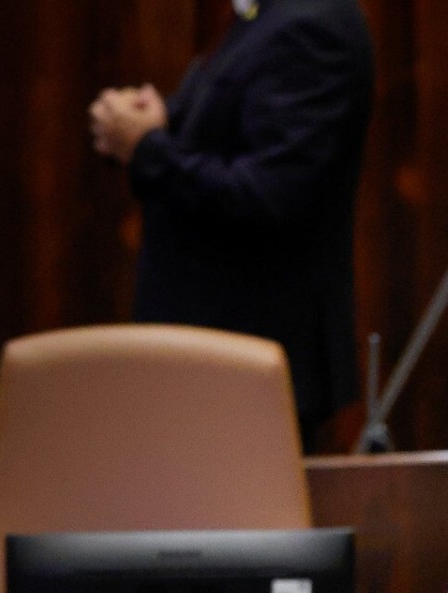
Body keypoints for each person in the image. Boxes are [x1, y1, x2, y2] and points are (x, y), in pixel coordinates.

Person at [88, 0, 375, 448]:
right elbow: (233, 133)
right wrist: (160, 123)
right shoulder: (259, 16)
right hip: (206, 362)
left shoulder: (312, 24)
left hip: (246, 363)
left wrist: (146, 147)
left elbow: (269, 196)